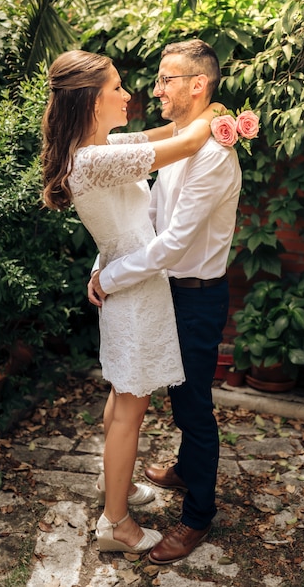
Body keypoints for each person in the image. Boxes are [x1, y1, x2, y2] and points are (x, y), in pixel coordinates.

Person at [41, 49, 224, 554]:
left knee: (120, 401)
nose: (130, 95)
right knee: (129, 409)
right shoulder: (98, 158)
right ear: (91, 101)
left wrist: (204, 107)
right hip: (137, 293)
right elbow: (186, 139)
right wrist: (216, 111)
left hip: (126, 284)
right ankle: (116, 524)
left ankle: (112, 489)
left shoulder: (98, 148)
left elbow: (164, 135)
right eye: (117, 88)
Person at [88, 39, 242, 564]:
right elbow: (149, 215)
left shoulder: (214, 155)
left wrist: (112, 276)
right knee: (176, 397)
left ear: (198, 85)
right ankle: (185, 469)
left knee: (194, 406)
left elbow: (174, 244)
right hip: (166, 288)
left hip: (197, 297)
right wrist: (107, 265)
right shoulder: (182, 141)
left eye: (166, 79)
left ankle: (198, 516)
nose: (156, 90)